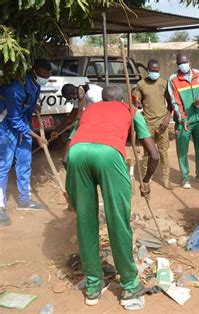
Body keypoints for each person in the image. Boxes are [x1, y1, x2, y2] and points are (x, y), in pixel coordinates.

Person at [64, 85, 159, 308]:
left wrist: (74, 186)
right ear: (123, 98)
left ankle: (93, 287)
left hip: (77, 155)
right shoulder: (130, 110)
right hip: (108, 154)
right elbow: (153, 154)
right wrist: (145, 181)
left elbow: (65, 159)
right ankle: (128, 286)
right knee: (118, 220)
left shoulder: (88, 110)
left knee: (86, 221)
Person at [0, 58, 51, 226]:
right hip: (6, 126)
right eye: (43, 75)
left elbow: (28, 103)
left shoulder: (36, 84)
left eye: (47, 76)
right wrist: (37, 137)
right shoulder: (16, 88)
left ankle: (24, 200)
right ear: (33, 70)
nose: (45, 78)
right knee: (4, 166)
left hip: (23, 124)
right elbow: (13, 119)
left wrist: (34, 106)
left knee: (24, 162)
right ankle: (0, 208)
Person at [168, 53, 199, 189]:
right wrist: (183, 118)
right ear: (177, 65)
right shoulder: (173, 79)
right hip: (183, 121)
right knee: (182, 150)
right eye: (180, 63)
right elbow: (175, 102)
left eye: (184, 62)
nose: (182, 65)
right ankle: (185, 177)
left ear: (189, 62)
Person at [132, 59, 172, 189]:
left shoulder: (164, 83)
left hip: (162, 123)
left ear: (159, 70)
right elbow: (136, 100)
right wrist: (136, 102)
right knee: (147, 153)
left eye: (156, 71)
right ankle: (146, 178)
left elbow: (171, 103)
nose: (154, 73)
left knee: (163, 152)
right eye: (152, 71)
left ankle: (166, 179)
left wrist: (167, 118)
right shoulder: (141, 84)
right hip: (147, 123)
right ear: (148, 70)